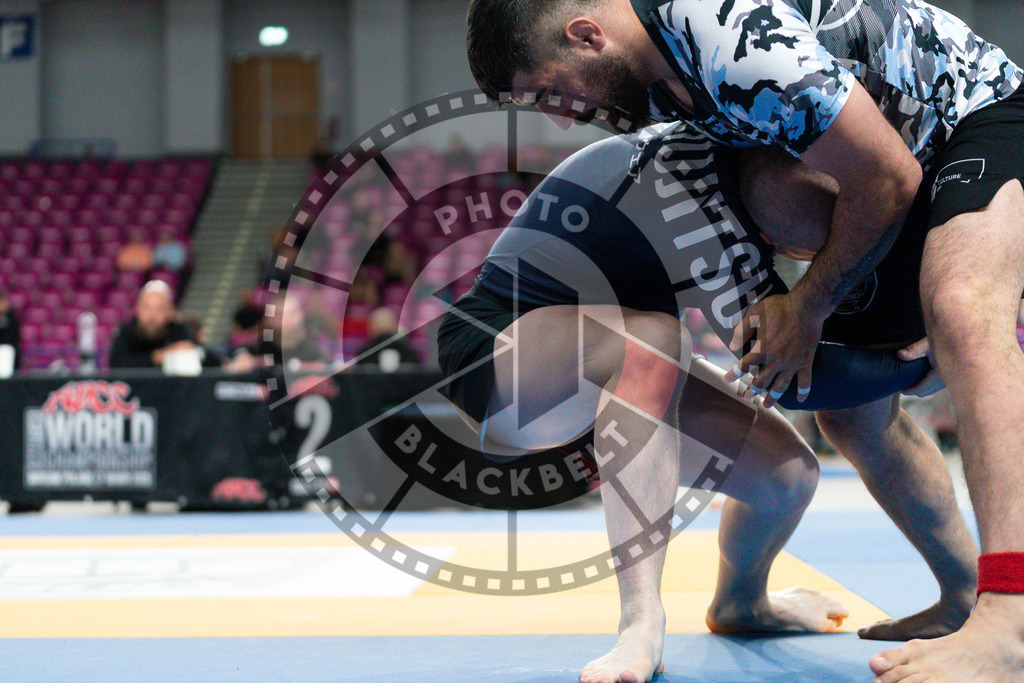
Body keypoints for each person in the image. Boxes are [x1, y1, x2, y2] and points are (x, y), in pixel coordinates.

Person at [467, 2, 1024, 678]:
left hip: (600, 348)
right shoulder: (701, 196)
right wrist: (915, 361)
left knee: (789, 474)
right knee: (653, 339)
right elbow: (796, 376)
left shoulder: (733, 116)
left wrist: (888, 350)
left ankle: (743, 601)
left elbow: (852, 224)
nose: (801, 248)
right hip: (499, 347)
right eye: (803, 232)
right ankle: (640, 624)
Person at [108, 280, 205, 369]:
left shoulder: (179, 330)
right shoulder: (126, 331)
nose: (152, 315)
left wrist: (192, 352)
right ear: (137, 308)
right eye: (147, 308)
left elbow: (207, 359)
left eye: (159, 309)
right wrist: (160, 356)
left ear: (170, 312)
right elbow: (116, 363)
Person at [355, 307, 420, 368]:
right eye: (379, 324)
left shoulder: (408, 353)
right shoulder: (363, 354)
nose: (383, 327)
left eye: (386, 323)